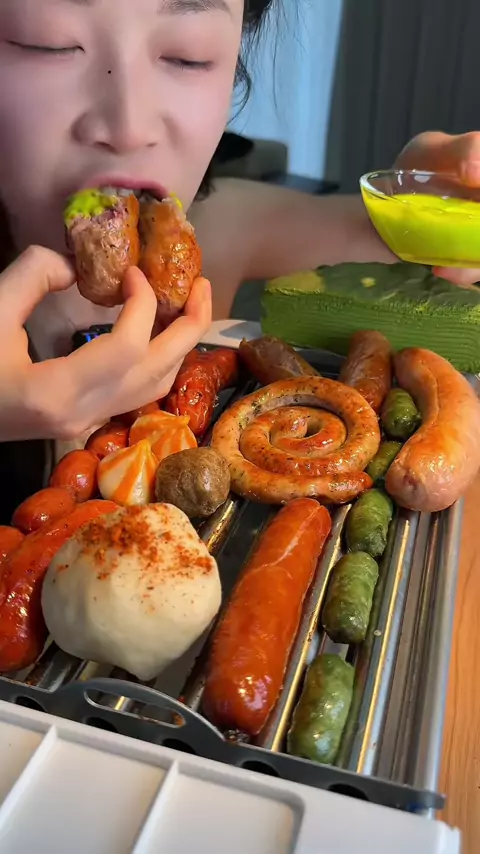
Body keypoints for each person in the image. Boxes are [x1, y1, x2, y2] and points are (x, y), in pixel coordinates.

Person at [0, 0, 479, 442]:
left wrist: (434, 191)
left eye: (189, 55)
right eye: (48, 41)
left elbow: (407, 247)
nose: (129, 126)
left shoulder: (223, 223)